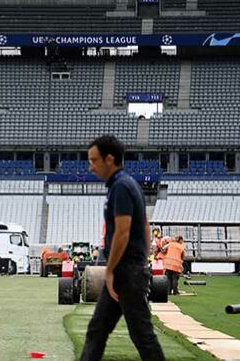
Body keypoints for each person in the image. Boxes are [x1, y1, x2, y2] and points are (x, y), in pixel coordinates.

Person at [81, 135, 164, 361]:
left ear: (109, 159)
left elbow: (123, 232)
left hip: (126, 272)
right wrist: (142, 258)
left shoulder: (120, 186)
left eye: (93, 160)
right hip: (128, 270)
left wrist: (110, 270)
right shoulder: (128, 184)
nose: (90, 166)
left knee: (141, 334)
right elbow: (145, 226)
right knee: (97, 330)